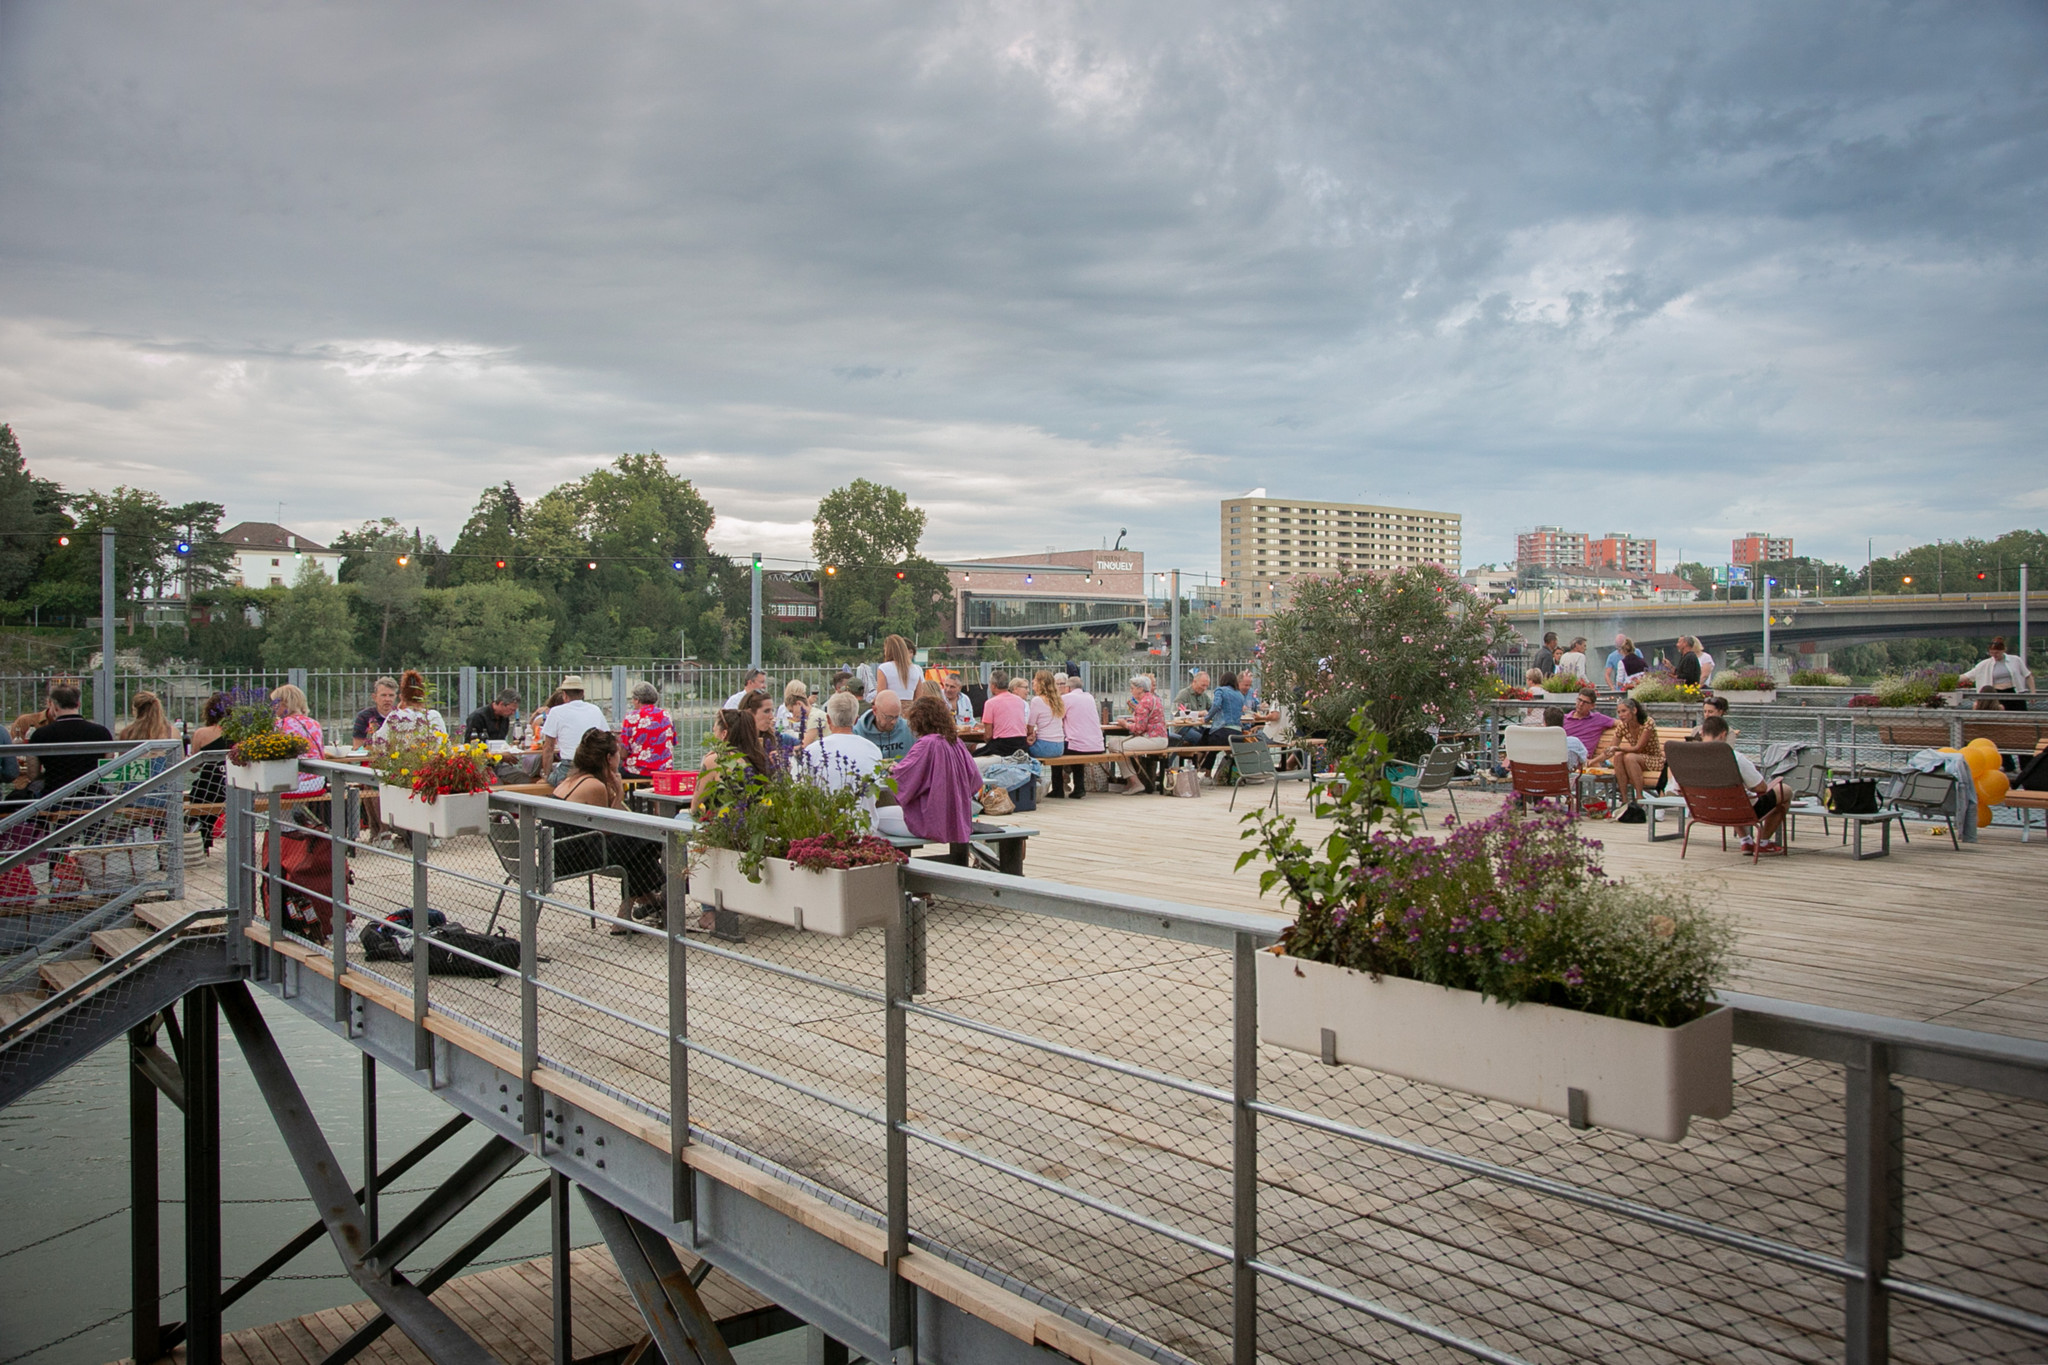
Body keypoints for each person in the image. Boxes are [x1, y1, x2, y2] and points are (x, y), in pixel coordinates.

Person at [551, 730, 667, 928]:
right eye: (618, 753)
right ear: (608, 758)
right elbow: (607, 829)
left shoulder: (571, 780)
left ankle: (641, 904)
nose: (621, 757)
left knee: (636, 850)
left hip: (559, 852)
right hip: (575, 857)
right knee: (646, 841)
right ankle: (652, 898)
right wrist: (619, 794)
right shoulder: (594, 786)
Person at [873, 695, 980, 843]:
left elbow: (903, 777)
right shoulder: (956, 742)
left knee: (872, 818)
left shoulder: (926, 744)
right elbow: (974, 778)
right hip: (958, 819)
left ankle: (893, 862)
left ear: (918, 720)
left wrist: (891, 768)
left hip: (930, 819)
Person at [1688, 715, 1789, 854]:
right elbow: (1761, 788)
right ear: (1724, 734)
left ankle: (1746, 841)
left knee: (1728, 795)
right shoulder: (1734, 757)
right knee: (1785, 790)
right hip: (1740, 811)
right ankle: (1763, 842)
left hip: (1704, 810)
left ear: (1702, 733)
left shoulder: (1690, 757)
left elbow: (1677, 788)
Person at [794, 692, 883, 813]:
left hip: (824, 824)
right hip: (864, 825)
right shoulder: (873, 750)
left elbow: (803, 793)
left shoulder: (812, 751)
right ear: (856, 720)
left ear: (828, 720)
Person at [28, 681, 115, 797]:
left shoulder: (40, 734)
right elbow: (107, 767)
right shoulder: (101, 732)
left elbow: (33, 774)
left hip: (53, 797)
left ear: (53, 705)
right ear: (78, 704)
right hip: (92, 796)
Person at [539, 674, 609, 784]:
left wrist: (545, 775)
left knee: (551, 781)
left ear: (564, 695)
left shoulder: (556, 712)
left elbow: (548, 747)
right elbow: (606, 736)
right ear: (582, 693)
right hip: (594, 766)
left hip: (570, 765)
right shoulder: (595, 710)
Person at [1106, 674, 1169, 794]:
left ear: (1140, 689)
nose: (1131, 691)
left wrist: (1125, 724)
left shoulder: (1144, 703)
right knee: (1115, 743)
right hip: (1161, 738)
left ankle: (1135, 782)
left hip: (1152, 739)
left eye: (1132, 688)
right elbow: (1149, 720)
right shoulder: (1154, 699)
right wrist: (1133, 719)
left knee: (1116, 747)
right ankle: (1131, 781)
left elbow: (1139, 729)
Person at [369, 670, 448, 756]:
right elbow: (445, 743)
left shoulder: (396, 716)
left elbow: (378, 742)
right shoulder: (434, 716)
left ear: (401, 697)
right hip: (430, 764)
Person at [270, 684, 329, 799]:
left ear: (283, 703)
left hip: (293, 786)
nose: (273, 707)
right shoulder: (314, 723)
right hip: (318, 782)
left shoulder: (280, 725)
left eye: (274, 703)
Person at [1052, 674, 1104, 799]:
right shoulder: (1089, 697)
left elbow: (1057, 717)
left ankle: (1057, 789)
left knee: (1055, 750)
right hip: (1097, 745)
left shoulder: (1066, 698)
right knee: (1077, 748)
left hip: (1078, 745)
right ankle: (1079, 788)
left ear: (1068, 688)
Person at [1610, 697, 1663, 814]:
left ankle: (1640, 798)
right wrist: (1593, 761)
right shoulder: (1622, 726)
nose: (1621, 715)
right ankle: (1624, 800)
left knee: (1629, 757)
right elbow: (1611, 749)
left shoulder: (1647, 722)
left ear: (1634, 711)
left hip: (1654, 759)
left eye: (1624, 711)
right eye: (1619, 712)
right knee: (1618, 756)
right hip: (1634, 761)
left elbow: (1638, 748)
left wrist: (1619, 748)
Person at [186, 692, 234, 810]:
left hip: (208, 790)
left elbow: (193, 767)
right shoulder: (240, 732)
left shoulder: (201, 733)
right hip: (235, 786)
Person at [618, 681, 675, 777]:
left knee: (616, 772)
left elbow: (623, 754)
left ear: (637, 700)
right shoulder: (666, 715)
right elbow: (672, 742)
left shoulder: (631, 717)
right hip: (663, 770)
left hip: (638, 771)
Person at [1959, 637, 2033, 709]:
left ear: (2003, 650)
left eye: (1997, 653)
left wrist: (2033, 692)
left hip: (2014, 692)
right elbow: (1967, 676)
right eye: (1991, 653)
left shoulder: (2016, 660)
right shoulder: (1984, 664)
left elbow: (2028, 675)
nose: (1994, 655)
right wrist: (1951, 680)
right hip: (1996, 695)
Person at [980, 670, 1031, 757]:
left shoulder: (990, 703)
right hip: (1021, 745)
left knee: (973, 757)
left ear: (993, 686)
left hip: (1002, 746)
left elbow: (988, 735)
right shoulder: (1020, 701)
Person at [855, 689, 915, 760]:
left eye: (896, 717)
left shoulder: (909, 730)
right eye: (889, 717)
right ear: (875, 711)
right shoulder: (858, 732)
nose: (893, 722)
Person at [1561, 686, 1616, 761]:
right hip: (1563, 756)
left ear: (1592, 706)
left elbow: (1620, 723)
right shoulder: (1564, 719)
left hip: (1582, 760)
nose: (1580, 704)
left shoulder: (1597, 718)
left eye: (1585, 702)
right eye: (1579, 700)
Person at [1026, 670, 1066, 762]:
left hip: (1044, 746)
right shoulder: (1058, 700)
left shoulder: (1037, 700)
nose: (1033, 681)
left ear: (1041, 683)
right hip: (1059, 747)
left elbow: (1030, 727)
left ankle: (1031, 775)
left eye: (1035, 679)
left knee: (1021, 749)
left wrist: (1030, 736)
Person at [1540, 706, 1590, 771]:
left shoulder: (1538, 743)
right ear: (1563, 723)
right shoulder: (1575, 742)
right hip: (1566, 779)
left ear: (1545, 723)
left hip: (1540, 778)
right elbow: (1584, 760)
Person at [352, 676, 398, 742]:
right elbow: (357, 747)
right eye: (383, 695)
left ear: (395, 697)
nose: (387, 699)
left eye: (391, 695)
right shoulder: (364, 717)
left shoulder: (400, 717)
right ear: (374, 697)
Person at [1171, 671, 1213, 744]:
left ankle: (1204, 755)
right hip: (1183, 728)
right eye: (1203, 685)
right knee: (1202, 740)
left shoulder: (1204, 696)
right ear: (1194, 681)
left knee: (1215, 737)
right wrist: (1199, 713)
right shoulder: (1184, 694)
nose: (1205, 688)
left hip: (1197, 727)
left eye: (1207, 686)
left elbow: (1212, 709)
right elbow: (1176, 713)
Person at [773, 680, 812, 747]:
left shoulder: (806, 709)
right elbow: (782, 727)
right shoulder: (785, 708)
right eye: (803, 693)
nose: (805, 696)